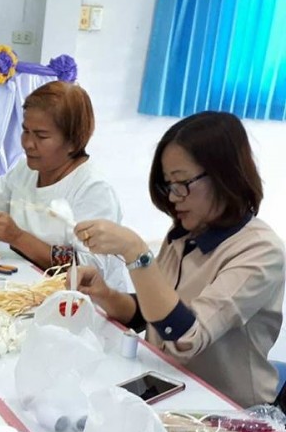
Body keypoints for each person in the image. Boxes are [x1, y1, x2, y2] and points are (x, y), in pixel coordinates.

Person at [73, 111, 284, 408]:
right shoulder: (184, 235)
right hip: (168, 384)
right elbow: (153, 313)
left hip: (227, 409)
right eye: (168, 185)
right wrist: (105, 294)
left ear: (225, 177)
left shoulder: (261, 251)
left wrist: (137, 253)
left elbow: (186, 338)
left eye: (182, 182)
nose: (173, 197)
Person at [0, 81, 127, 289]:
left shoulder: (93, 190)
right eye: (25, 131)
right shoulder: (26, 170)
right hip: (28, 287)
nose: (28, 143)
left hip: (83, 302)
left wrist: (18, 237)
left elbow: (90, 269)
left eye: (41, 136)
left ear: (73, 142)